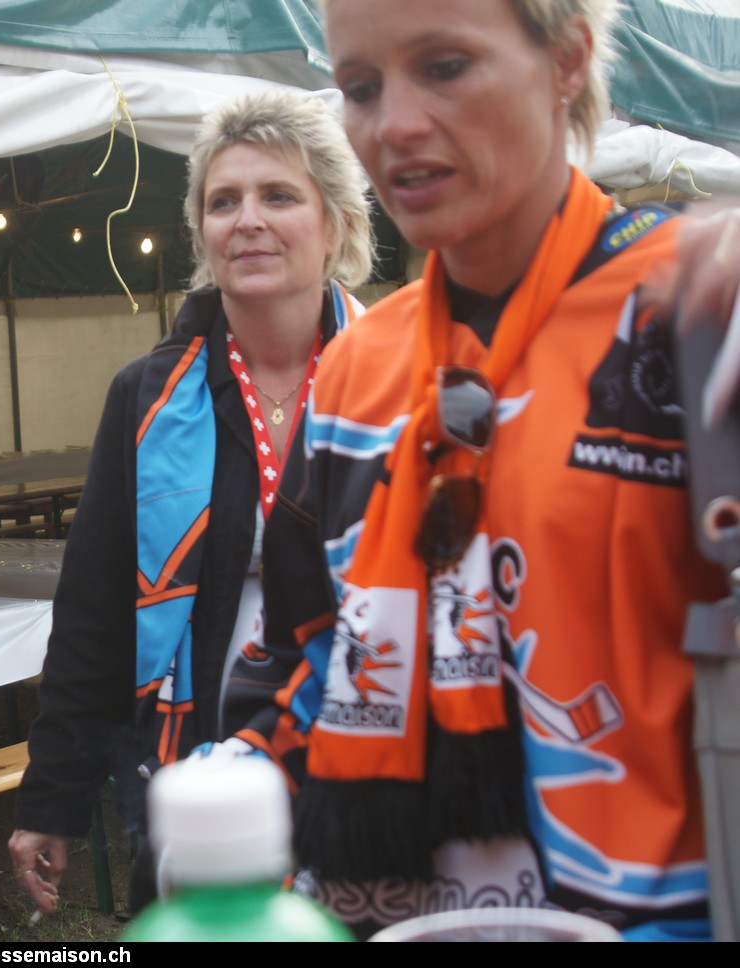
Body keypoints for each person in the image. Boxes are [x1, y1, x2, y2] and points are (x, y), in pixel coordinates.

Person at [251, 0, 739, 940]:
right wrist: (237, 781)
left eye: (445, 67)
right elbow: (306, 650)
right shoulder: (356, 369)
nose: (394, 124)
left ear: (568, 58)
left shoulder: (695, 310)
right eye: (360, 86)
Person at [9, 88, 372, 916]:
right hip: (190, 757)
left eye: (278, 195)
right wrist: (54, 795)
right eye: (223, 201)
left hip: (367, 737)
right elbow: (95, 608)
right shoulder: (147, 395)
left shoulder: (402, 380)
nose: (248, 220)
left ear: (337, 224)